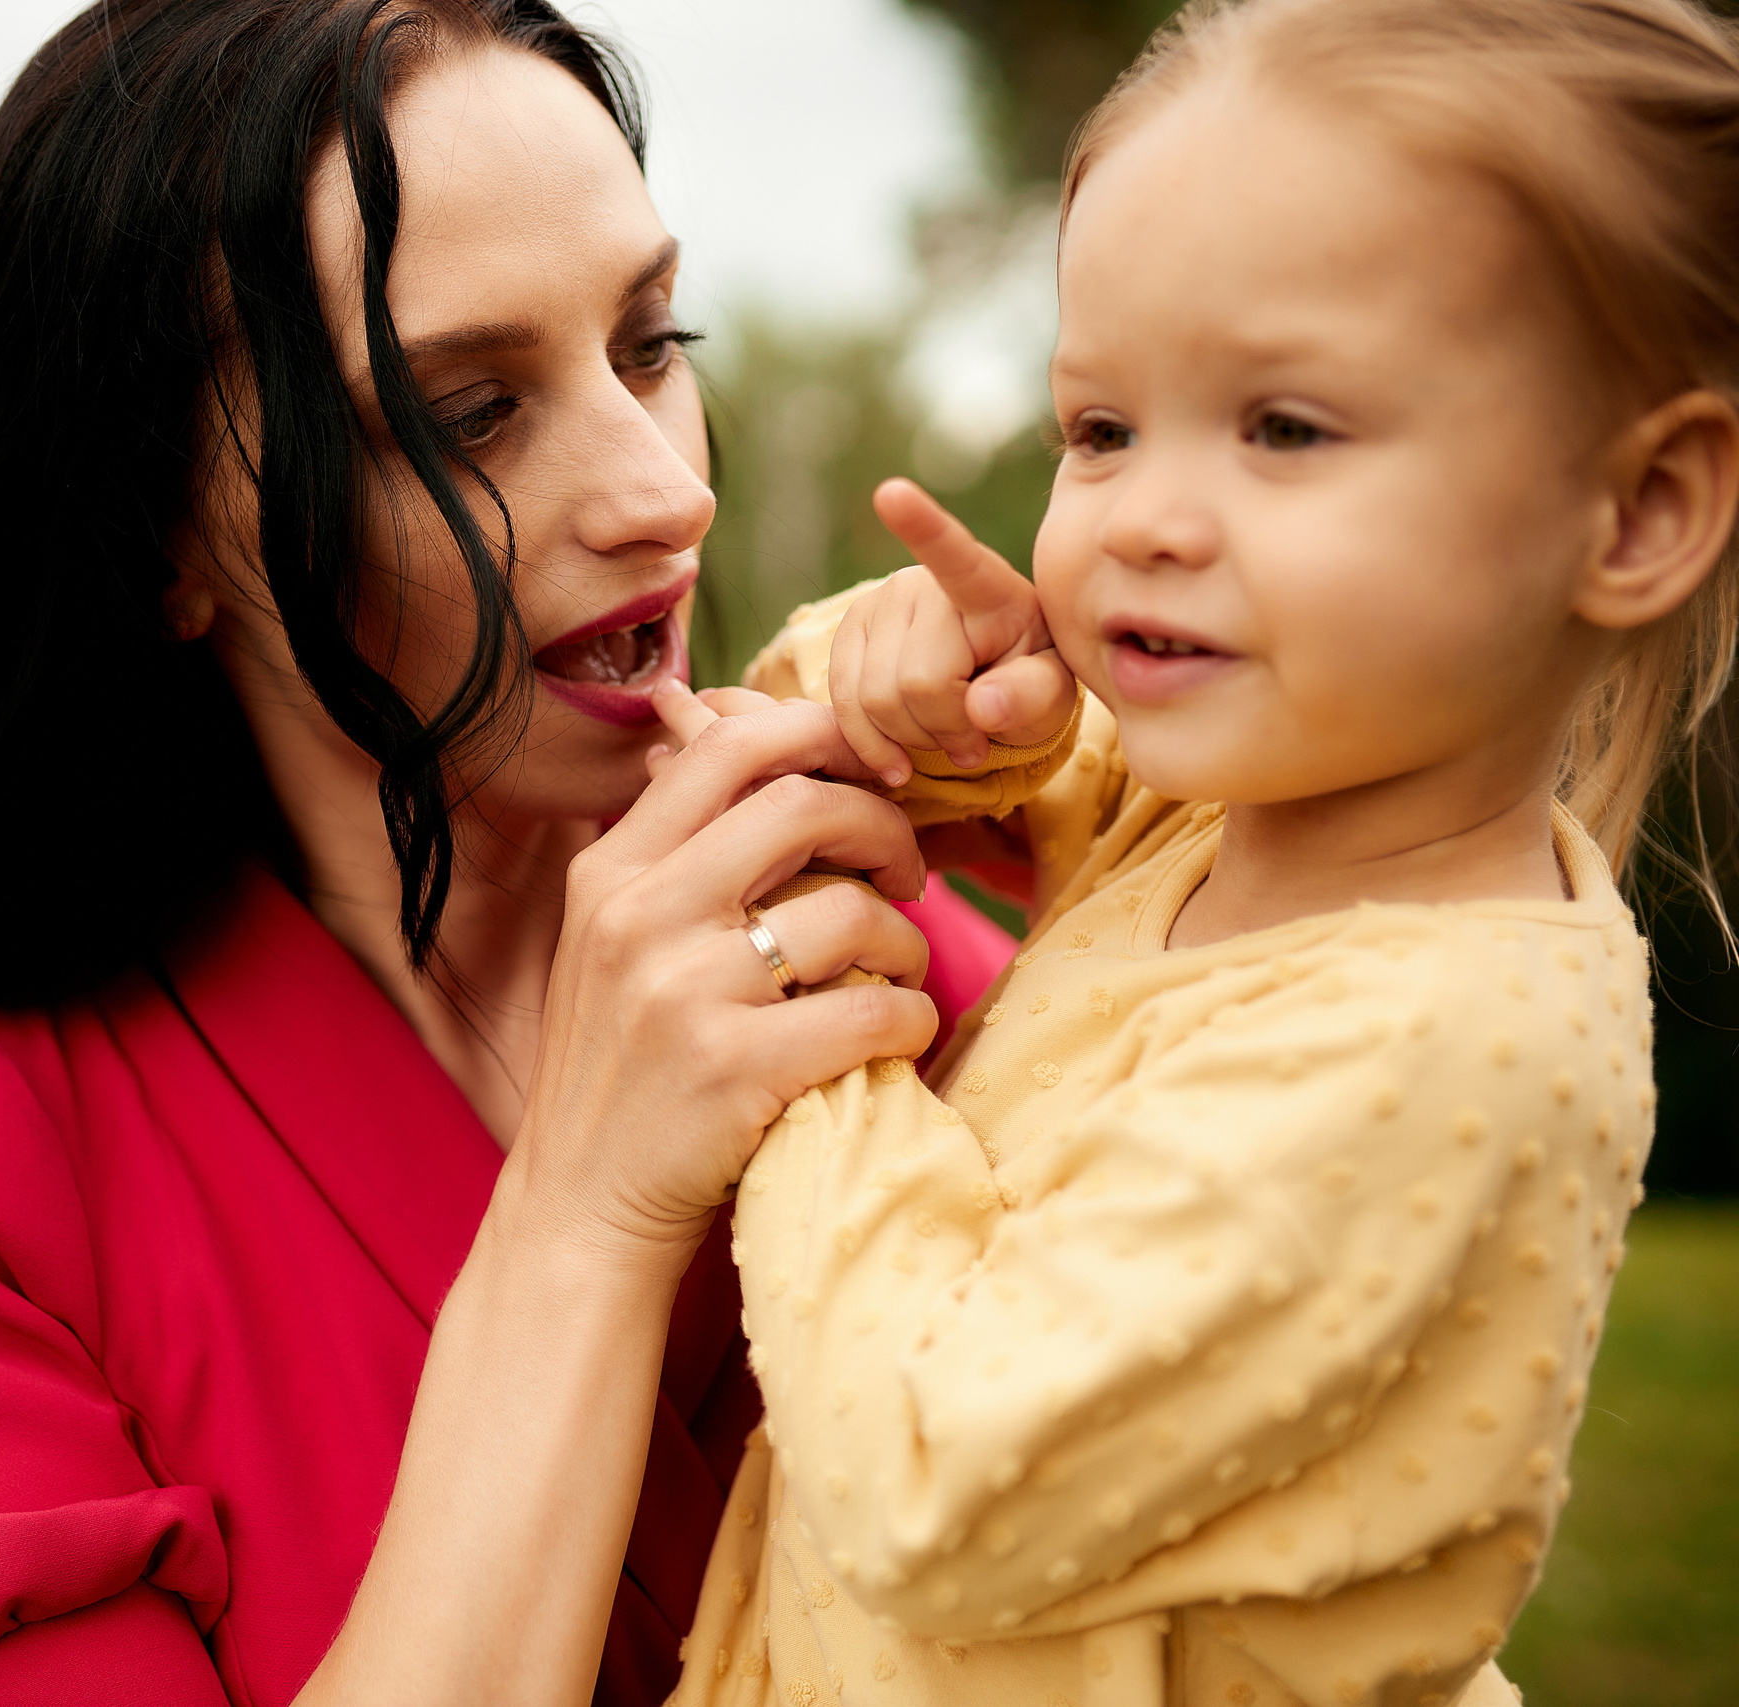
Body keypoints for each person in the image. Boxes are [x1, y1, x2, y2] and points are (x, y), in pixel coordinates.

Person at [0, 3, 1021, 1703]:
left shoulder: (885, 945)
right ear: (160, 537)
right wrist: (584, 1213)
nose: (661, 495)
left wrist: (1141, 839)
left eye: (649, 341)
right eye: (469, 412)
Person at [666, 1, 1739, 1702]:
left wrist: (818, 1039)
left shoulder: (1442, 1041)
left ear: (1637, 511)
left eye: (1285, 430)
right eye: (1099, 430)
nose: (1143, 518)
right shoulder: (1242, 808)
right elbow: (805, 729)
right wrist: (958, 707)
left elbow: (939, 1476)